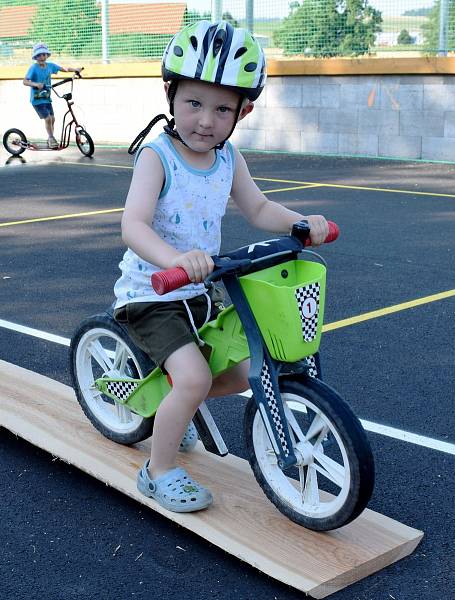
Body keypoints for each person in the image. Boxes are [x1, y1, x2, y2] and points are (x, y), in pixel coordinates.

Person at [112, 21, 330, 513]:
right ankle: (158, 469)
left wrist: (301, 223)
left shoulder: (229, 157)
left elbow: (258, 209)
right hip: (152, 294)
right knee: (193, 379)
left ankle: (175, 403)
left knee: (253, 367)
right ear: (170, 95)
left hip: (199, 289)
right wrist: (174, 259)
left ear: (242, 112)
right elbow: (134, 225)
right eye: (194, 103)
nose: (205, 121)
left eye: (221, 108)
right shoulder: (158, 156)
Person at [22, 43, 83, 149]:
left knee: (53, 118)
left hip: (46, 97)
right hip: (37, 99)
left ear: (47, 55)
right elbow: (25, 81)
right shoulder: (33, 68)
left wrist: (75, 70)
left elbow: (64, 68)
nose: (42, 57)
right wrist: (36, 84)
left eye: (44, 55)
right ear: (36, 57)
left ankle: (51, 138)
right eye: (39, 55)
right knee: (48, 118)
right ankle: (51, 138)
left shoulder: (50, 65)